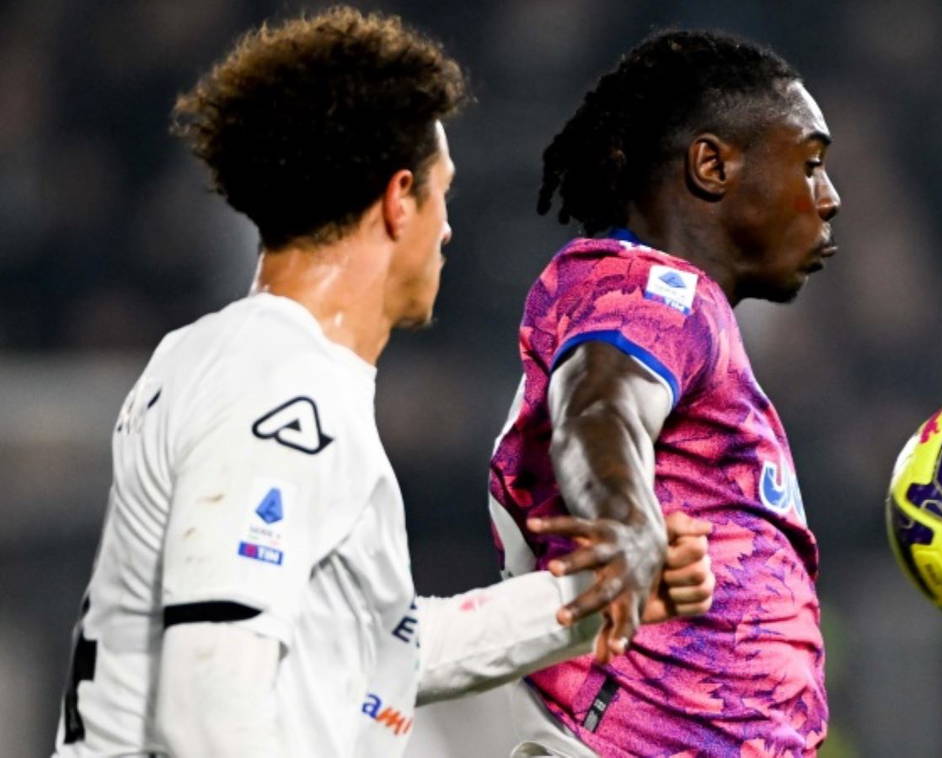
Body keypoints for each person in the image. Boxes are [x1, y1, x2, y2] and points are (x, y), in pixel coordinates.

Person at [52, 8, 713, 758]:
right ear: (399, 199)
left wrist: (597, 596)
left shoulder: (233, 362)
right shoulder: (281, 391)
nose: (447, 230)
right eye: (442, 194)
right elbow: (209, 709)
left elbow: (372, 651)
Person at [488, 29, 840, 756]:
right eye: (809, 165)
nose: (829, 199)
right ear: (712, 166)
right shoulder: (654, 290)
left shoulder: (668, 308)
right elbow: (599, 406)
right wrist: (625, 521)